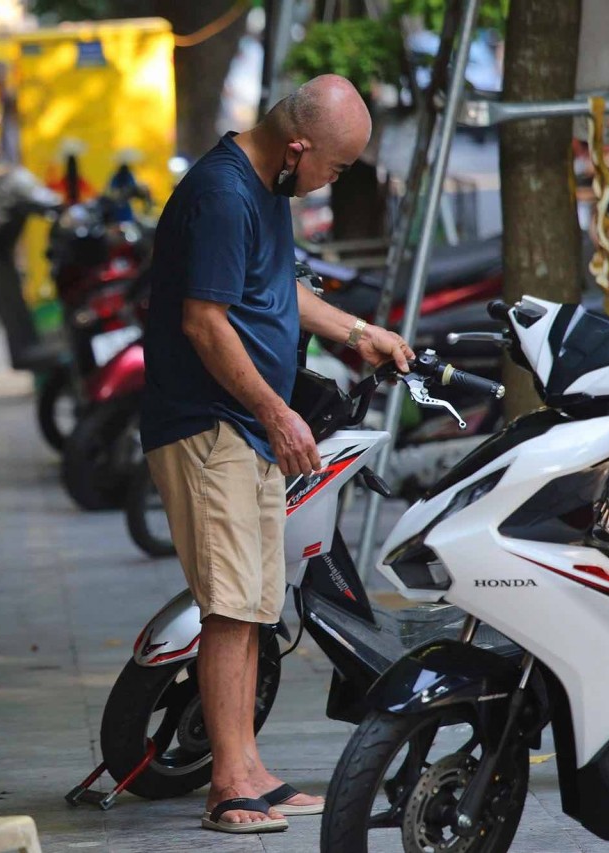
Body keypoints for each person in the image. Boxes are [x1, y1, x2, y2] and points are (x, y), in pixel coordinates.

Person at [140, 74, 414, 835]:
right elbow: (205, 322)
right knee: (231, 604)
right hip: (210, 424)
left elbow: (278, 296)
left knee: (255, 604)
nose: (333, 180)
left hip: (246, 426)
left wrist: (360, 335)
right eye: (335, 165)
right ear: (298, 147)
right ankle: (229, 785)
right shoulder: (224, 195)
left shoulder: (266, 189)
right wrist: (276, 408)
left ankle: (250, 767)